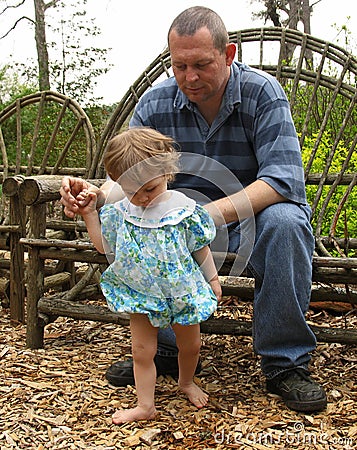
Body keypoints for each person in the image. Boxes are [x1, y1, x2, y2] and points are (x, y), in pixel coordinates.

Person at [60, 6, 327, 413]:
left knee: (287, 221)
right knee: (146, 228)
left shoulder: (263, 93)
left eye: (201, 64)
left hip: (250, 219)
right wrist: (94, 196)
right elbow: (126, 175)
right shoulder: (155, 103)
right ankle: (166, 348)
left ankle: (284, 363)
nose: (190, 77)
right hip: (171, 219)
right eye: (179, 65)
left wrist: (195, 217)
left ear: (228, 54)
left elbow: (282, 180)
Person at [78, 127, 221, 423]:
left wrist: (212, 279)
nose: (141, 198)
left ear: (167, 173)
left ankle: (186, 382)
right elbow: (104, 246)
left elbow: (201, 248)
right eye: (131, 191)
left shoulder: (182, 208)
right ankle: (145, 405)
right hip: (141, 292)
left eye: (150, 189)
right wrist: (90, 213)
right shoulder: (122, 211)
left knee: (191, 345)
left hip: (182, 290)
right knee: (142, 351)